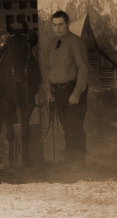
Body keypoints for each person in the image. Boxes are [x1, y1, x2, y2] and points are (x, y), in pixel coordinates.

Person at [44, 10, 89, 170]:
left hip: (72, 91)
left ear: (68, 24)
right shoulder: (52, 44)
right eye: (54, 25)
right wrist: (49, 91)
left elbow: (83, 69)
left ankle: (78, 162)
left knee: (75, 126)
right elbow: (47, 68)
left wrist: (76, 92)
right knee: (66, 127)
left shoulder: (75, 42)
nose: (58, 28)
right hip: (58, 92)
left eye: (61, 24)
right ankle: (70, 160)